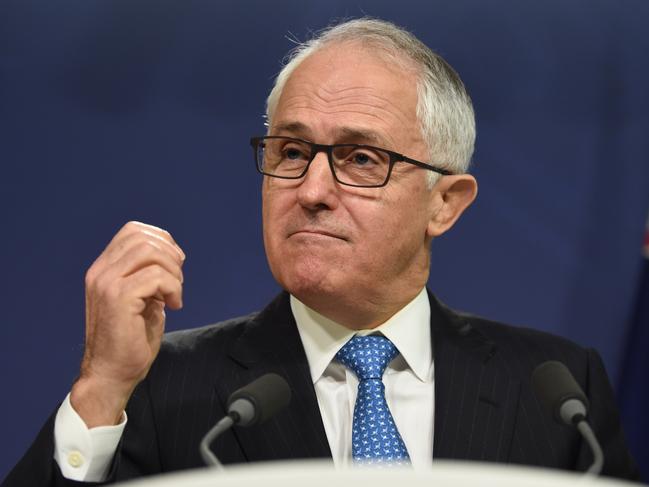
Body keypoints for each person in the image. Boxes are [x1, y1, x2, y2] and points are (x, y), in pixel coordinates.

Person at [2, 17, 638, 486]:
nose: (310, 191)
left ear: (445, 203)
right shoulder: (161, 385)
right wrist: (100, 388)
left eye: (361, 159)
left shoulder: (557, 391)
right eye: (292, 152)